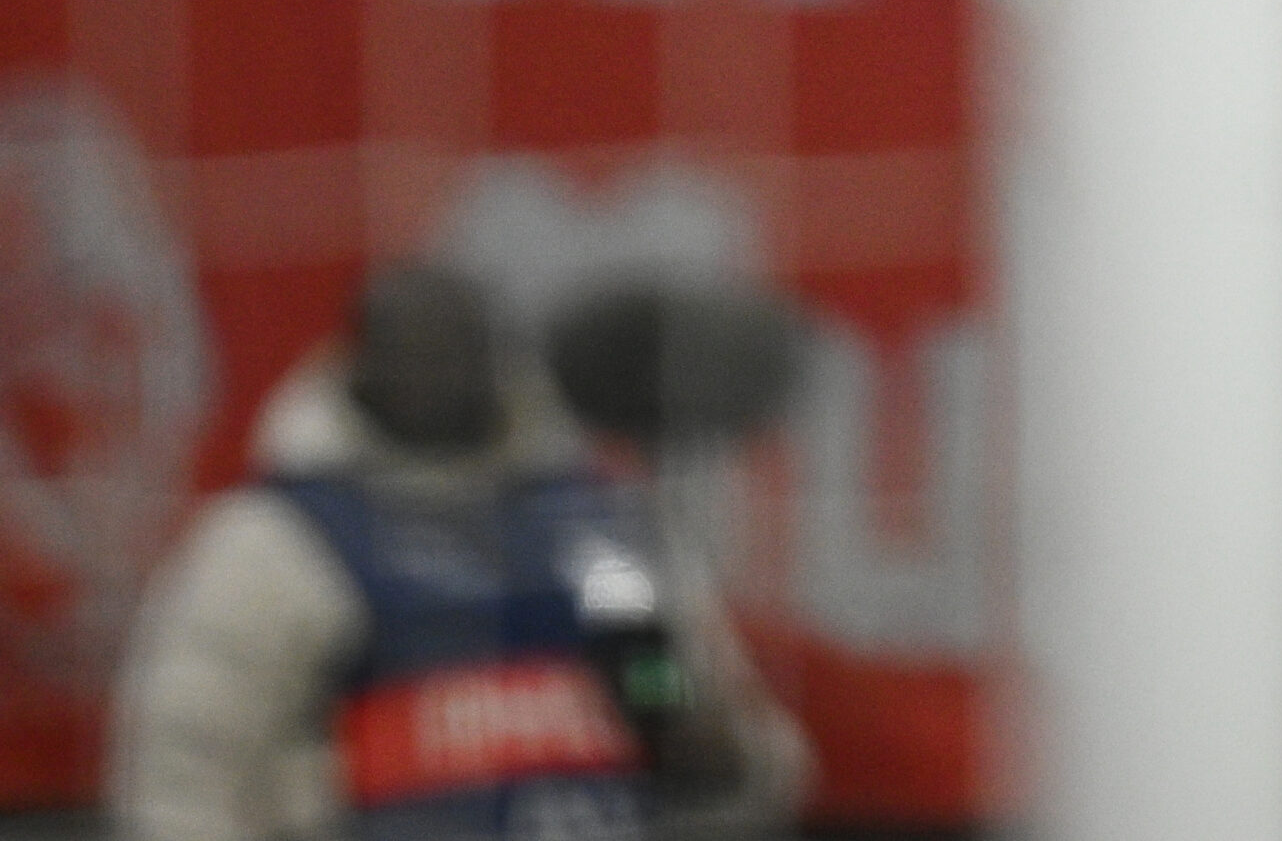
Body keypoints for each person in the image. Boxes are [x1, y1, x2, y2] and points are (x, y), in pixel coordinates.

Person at [109, 262, 808, 841]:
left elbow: (685, 696)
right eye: (414, 354)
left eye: (460, 351)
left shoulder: (593, 529)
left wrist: (699, 741)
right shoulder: (273, 542)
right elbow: (181, 780)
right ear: (360, 364)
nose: (440, 373)